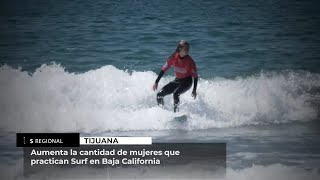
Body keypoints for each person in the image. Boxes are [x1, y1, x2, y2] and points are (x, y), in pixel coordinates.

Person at [153, 40, 198, 112]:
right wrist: (156, 82)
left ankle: (176, 113)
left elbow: (195, 76)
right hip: (178, 80)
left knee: (176, 93)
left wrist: (194, 89)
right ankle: (161, 112)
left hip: (187, 82)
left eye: (188, 49)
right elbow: (163, 69)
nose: (187, 50)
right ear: (180, 49)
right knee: (159, 94)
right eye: (185, 48)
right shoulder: (173, 58)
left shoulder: (190, 61)